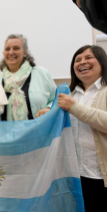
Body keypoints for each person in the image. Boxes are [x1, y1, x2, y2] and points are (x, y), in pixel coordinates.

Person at [58, 45, 107, 211]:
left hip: (103, 178)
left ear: (102, 62)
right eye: (77, 60)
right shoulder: (69, 95)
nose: (82, 62)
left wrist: (74, 108)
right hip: (77, 176)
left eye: (88, 57)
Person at [0, 34, 56, 121]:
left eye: (16, 48)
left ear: (25, 53)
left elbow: (57, 99)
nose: (11, 52)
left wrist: (48, 108)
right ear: (4, 53)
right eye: (7, 49)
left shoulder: (41, 73)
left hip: (37, 132)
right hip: (4, 133)